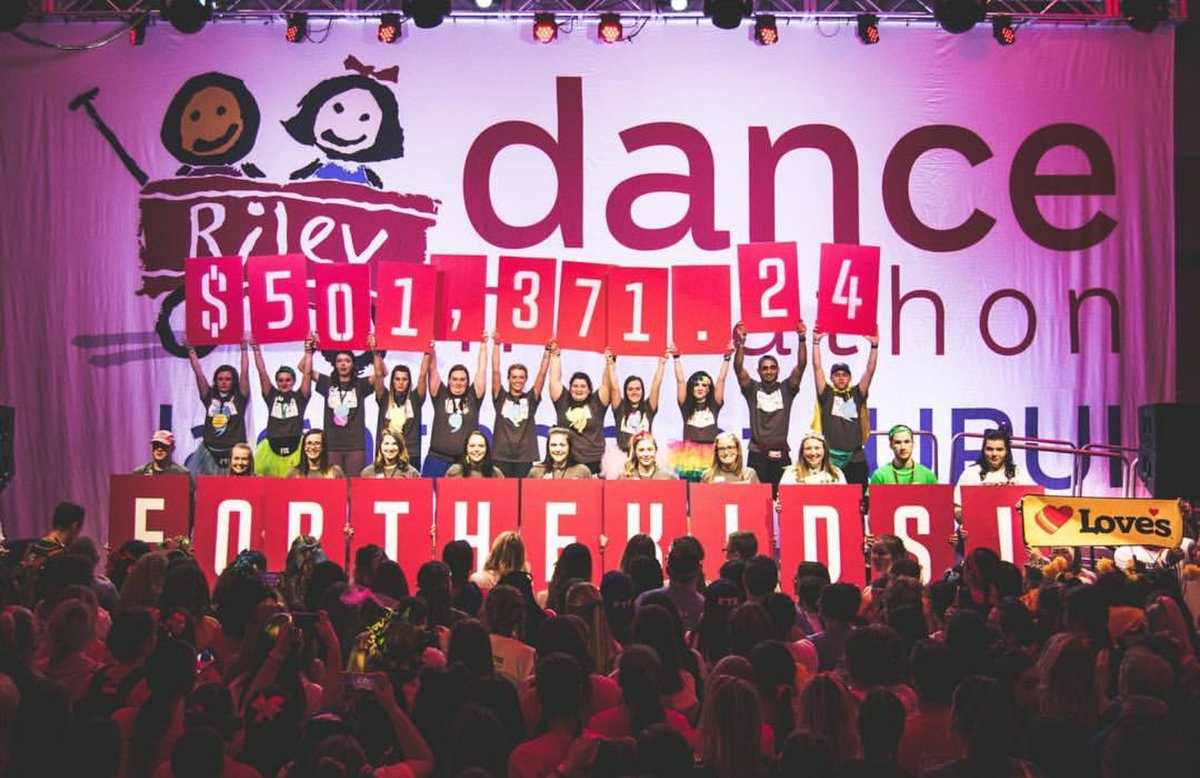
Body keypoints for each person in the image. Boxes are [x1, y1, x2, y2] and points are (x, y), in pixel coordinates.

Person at [734, 320, 807, 493]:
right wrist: (741, 343)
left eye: (773, 368)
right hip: (757, 454)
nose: (769, 371)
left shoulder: (787, 388)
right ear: (759, 371)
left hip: (780, 453)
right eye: (765, 368)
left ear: (778, 370)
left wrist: (802, 339)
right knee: (756, 498)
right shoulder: (752, 388)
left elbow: (801, 366)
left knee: (783, 497)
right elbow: (738, 368)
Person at [811, 327, 879, 485]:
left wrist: (874, 346)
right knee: (833, 497)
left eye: (844, 374)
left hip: (856, 458)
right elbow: (817, 368)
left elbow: (870, 371)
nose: (841, 378)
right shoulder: (826, 394)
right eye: (837, 375)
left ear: (850, 377)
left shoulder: (857, 393)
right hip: (832, 459)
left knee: (859, 497)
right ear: (831, 378)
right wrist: (816, 342)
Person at [310, 334, 380, 477]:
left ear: (353, 364)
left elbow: (381, 373)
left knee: (354, 485)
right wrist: (309, 352)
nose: (343, 364)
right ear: (335, 364)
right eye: (339, 361)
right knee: (333, 486)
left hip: (355, 446)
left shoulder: (360, 384)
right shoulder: (327, 383)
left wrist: (375, 352)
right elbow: (304, 369)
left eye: (347, 361)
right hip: (332, 445)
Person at [668, 342, 734, 482]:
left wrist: (727, 358)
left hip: (711, 457)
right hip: (689, 459)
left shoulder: (715, 405)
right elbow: (680, 381)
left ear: (709, 389)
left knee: (711, 492)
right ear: (691, 387)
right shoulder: (685, 406)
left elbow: (721, 380)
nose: (700, 388)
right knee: (691, 491)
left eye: (704, 385)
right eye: (696, 384)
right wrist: (676, 358)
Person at [423, 336, 488, 477]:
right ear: (449, 381)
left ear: (467, 382)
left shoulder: (473, 397)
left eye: (462, 380)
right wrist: (431, 347)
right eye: (454, 379)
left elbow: (481, 371)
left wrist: (483, 346)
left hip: (463, 463)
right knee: (428, 492)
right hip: (436, 460)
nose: (458, 383)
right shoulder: (440, 395)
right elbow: (432, 368)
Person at [185, 339, 250, 474]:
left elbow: (244, 372)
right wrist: (191, 350)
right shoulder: (209, 395)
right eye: (220, 379)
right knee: (203, 484)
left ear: (234, 381)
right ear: (215, 381)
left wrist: (244, 350)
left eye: (228, 379)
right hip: (209, 452)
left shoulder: (240, 396)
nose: (224, 382)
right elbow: (198, 373)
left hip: (234, 452)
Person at [250, 335, 312, 477]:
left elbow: (307, 374)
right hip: (271, 448)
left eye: (288, 380)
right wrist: (256, 350)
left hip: (296, 447)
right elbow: (262, 372)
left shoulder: (300, 397)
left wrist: (308, 352)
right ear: (276, 382)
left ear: (294, 381)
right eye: (281, 380)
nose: (284, 383)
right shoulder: (271, 396)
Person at [491, 333, 550, 478]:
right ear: (509, 379)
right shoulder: (500, 397)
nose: (518, 380)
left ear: (526, 379)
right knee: (502, 491)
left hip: (524, 457)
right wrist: (497, 345)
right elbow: (495, 371)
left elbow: (542, 374)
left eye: (521, 377)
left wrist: (548, 350)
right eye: (514, 377)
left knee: (522, 492)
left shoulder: (531, 399)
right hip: (501, 456)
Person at [549, 343, 610, 475]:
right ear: (570, 388)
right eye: (575, 386)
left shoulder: (597, 402)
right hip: (568, 461)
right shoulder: (563, 401)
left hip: (595, 461)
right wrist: (555, 355)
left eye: (583, 386)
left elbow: (607, 384)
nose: (579, 389)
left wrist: (610, 361)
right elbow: (554, 379)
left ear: (589, 390)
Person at [952, 427, 1035, 521]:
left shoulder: (1019, 474)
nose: (994, 454)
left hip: (1010, 528)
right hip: (979, 528)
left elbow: (1035, 504)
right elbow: (956, 508)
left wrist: (1025, 506)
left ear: (1007, 451)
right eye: (989, 449)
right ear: (983, 450)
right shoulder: (970, 473)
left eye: (999, 449)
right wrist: (969, 518)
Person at [373, 350, 430, 471]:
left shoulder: (415, 399)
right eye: (397, 379)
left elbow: (422, 375)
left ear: (409, 382)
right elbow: (378, 374)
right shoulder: (384, 398)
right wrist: (376, 353)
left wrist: (427, 352)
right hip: (386, 451)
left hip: (410, 453)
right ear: (392, 381)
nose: (400, 382)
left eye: (404, 379)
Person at [606, 348, 667, 454]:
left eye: (638, 389)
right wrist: (611, 363)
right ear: (625, 392)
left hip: (644, 455)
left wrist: (661, 363)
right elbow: (614, 386)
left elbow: (656, 385)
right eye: (630, 389)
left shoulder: (649, 407)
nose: (634, 392)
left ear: (642, 391)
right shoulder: (620, 407)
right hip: (623, 457)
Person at [870, 425, 937, 486]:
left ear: (913, 444)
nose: (903, 447)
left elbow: (938, 496)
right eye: (898, 442)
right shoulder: (880, 476)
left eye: (907, 442)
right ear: (891, 446)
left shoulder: (928, 476)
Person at [779, 431, 847, 485]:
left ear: (825, 450)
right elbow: (783, 497)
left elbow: (844, 497)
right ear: (802, 452)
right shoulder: (791, 473)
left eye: (817, 448)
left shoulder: (836, 473)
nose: (813, 453)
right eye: (808, 448)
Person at [527, 427, 594, 480]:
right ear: (548, 447)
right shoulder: (536, 471)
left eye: (562, 445)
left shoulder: (582, 471)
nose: (558, 449)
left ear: (569, 447)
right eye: (553, 445)